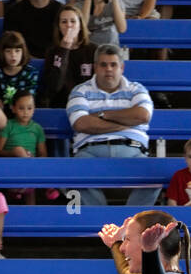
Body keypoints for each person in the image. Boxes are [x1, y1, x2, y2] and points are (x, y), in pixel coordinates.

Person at [67, 44, 158, 208]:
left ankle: (131, 226)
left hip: (132, 152)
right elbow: (80, 123)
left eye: (113, 64)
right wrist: (124, 124)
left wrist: (104, 115)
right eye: (103, 65)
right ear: (95, 67)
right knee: (75, 171)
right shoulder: (80, 91)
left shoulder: (136, 89)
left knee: (155, 175)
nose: (108, 69)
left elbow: (143, 115)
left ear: (121, 67)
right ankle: (104, 225)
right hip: (90, 152)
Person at [38, 3, 97, 109]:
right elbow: (54, 86)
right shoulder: (53, 52)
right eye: (64, 22)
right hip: (61, 103)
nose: (69, 25)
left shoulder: (93, 50)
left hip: (88, 103)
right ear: (59, 27)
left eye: (73, 21)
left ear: (80, 26)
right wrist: (63, 51)